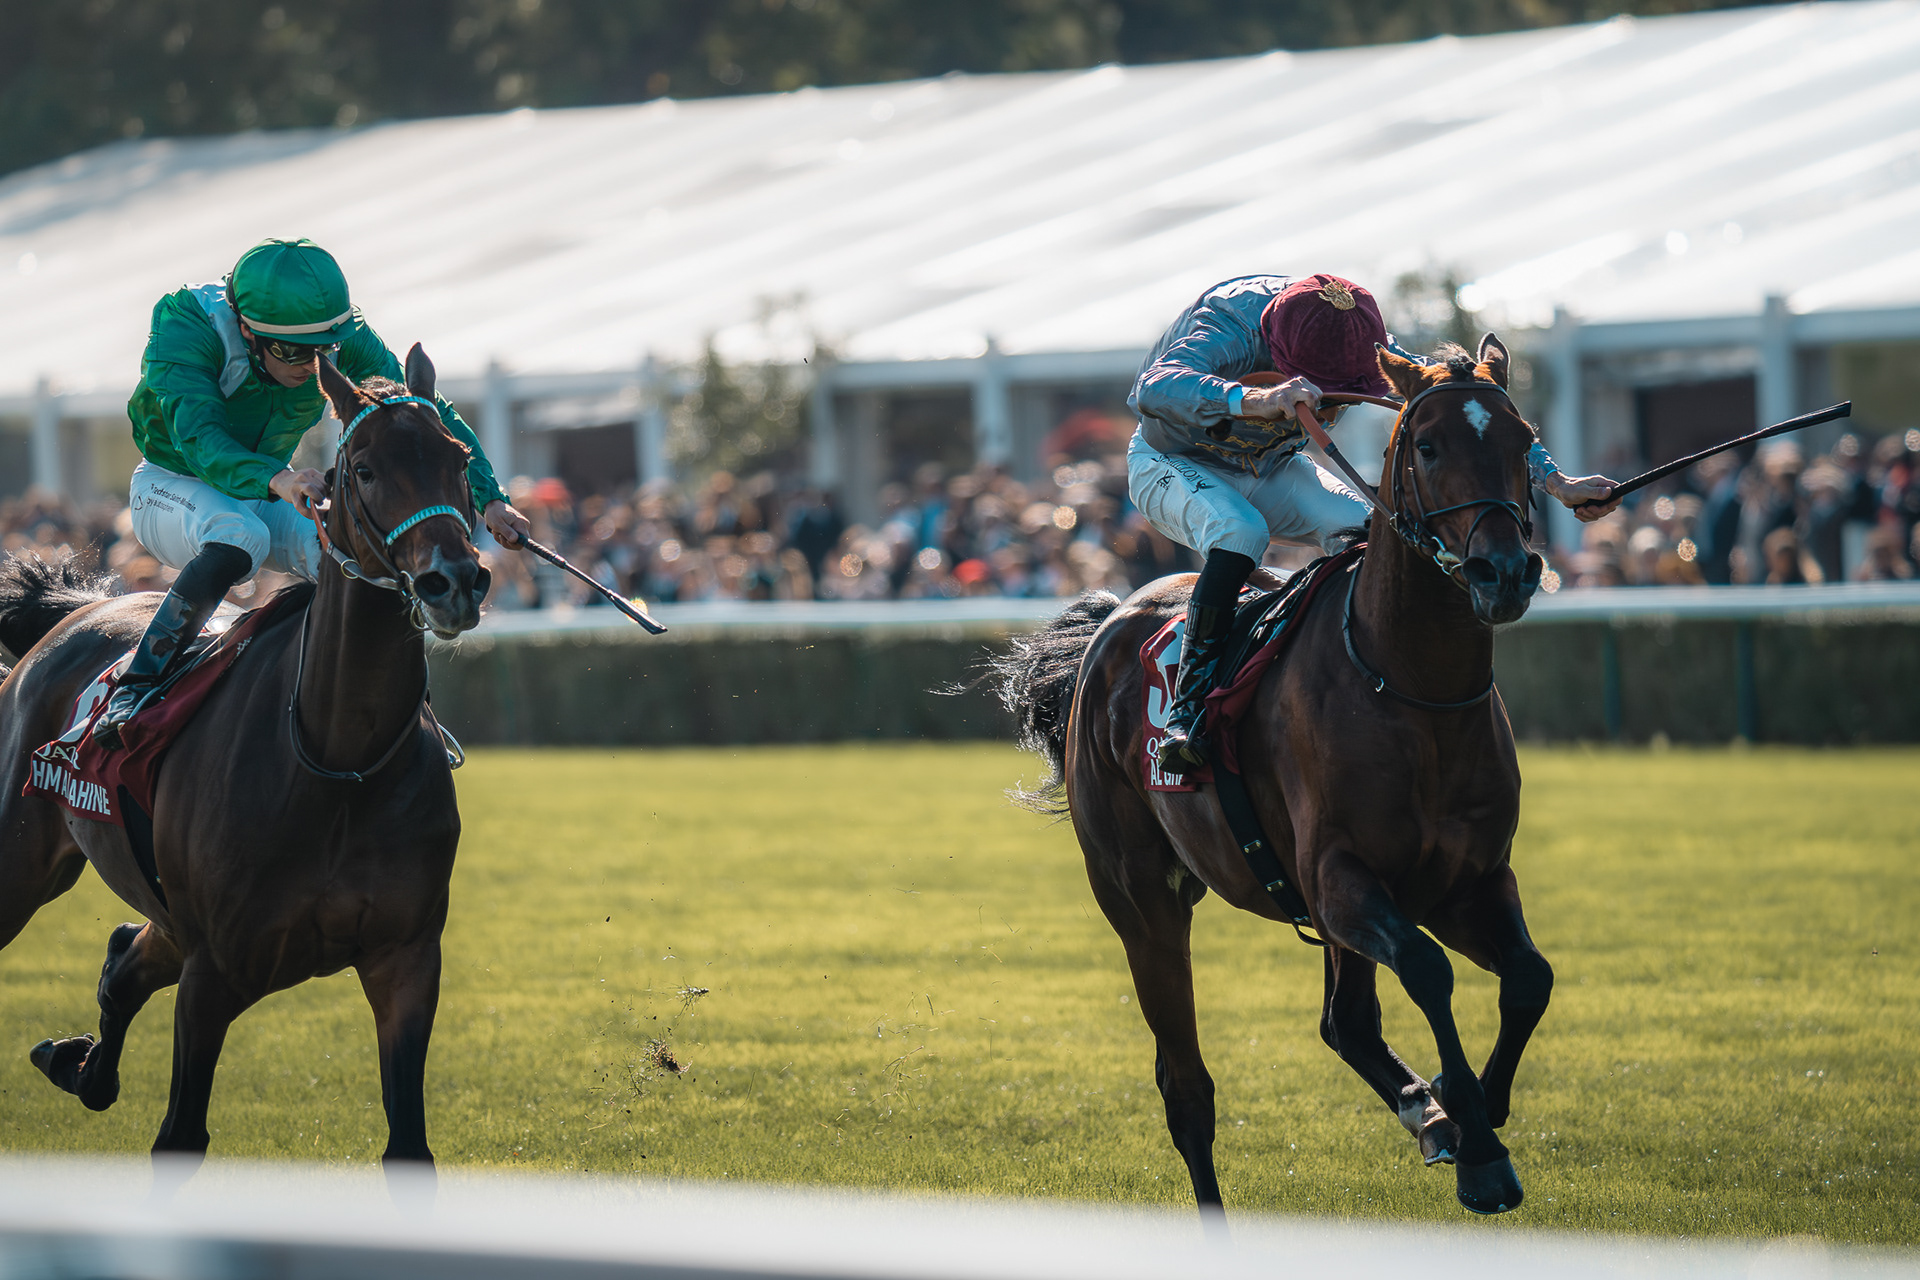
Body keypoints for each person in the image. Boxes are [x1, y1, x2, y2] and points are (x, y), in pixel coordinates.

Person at [1127, 273, 1621, 775]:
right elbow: (1152, 388)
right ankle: (1188, 708)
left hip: (1273, 467)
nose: (1339, 403)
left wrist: (1557, 483)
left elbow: (1470, 406)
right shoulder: (1231, 320)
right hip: (1171, 460)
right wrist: (1254, 400)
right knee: (1240, 532)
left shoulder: (1361, 336)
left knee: (1372, 528)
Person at [92, 237, 531, 748]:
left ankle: (391, 709)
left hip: (271, 484)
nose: (311, 363)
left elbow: (433, 419)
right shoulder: (186, 324)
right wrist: (279, 478)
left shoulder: (341, 339)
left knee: (344, 557)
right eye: (291, 350)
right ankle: (137, 684)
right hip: (172, 484)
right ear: (245, 328)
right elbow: (198, 438)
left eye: (321, 349)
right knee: (241, 534)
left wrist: (490, 497)